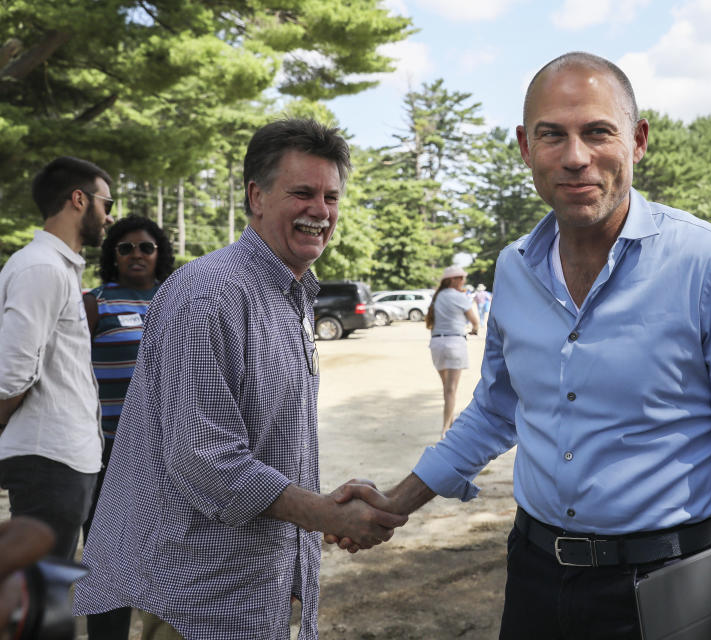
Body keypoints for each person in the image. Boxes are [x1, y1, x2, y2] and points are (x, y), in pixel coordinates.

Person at [331, 53, 711, 639]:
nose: (575, 157)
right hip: (535, 581)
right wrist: (396, 503)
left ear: (638, 140)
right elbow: (496, 409)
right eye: (552, 135)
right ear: (525, 146)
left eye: (598, 131)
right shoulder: (515, 269)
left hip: (672, 589)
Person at [74, 119, 407, 640]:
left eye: (331, 196)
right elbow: (206, 458)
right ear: (256, 195)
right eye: (302, 193)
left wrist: (327, 509)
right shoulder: (211, 296)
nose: (320, 211)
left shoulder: (288, 292)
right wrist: (326, 514)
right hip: (200, 599)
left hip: (254, 589)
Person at [0, 156, 114, 560]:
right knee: (38, 602)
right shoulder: (41, 268)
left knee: (46, 598)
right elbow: (11, 376)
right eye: (107, 204)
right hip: (47, 462)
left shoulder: (57, 268)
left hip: (63, 461)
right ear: (79, 200)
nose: (109, 218)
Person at [81, 215, 174, 640]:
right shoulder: (94, 302)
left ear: (160, 255)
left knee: (169, 560)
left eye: (146, 247)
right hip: (107, 454)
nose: (137, 254)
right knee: (109, 567)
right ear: (112, 256)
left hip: (167, 456)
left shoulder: (179, 300)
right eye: (126, 248)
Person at [425, 265, 480, 437]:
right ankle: (445, 429)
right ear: (453, 280)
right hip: (455, 343)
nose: (464, 281)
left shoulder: (438, 296)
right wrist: (475, 329)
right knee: (451, 390)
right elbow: (475, 321)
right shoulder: (460, 297)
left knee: (447, 389)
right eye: (461, 278)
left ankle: (450, 420)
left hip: (437, 344)